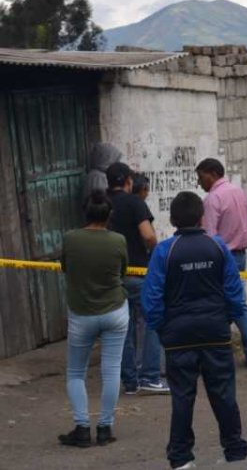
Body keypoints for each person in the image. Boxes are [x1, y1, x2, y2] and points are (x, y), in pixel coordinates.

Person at [143, 192, 247, 469]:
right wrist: (225, 320)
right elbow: (235, 294)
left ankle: (180, 457)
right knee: (224, 393)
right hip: (215, 332)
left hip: (178, 337)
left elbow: (152, 298)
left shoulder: (165, 251)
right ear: (202, 216)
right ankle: (234, 449)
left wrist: (162, 329)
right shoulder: (217, 247)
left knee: (182, 397)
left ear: (173, 219)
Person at [58, 191, 130, 448]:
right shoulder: (118, 240)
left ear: (85, 213)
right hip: (115, 311)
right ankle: (104, 428)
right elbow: (123, 270)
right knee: (111, 370)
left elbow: (65, 268)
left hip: (81, 313)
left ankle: (81, 427)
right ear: (109, 215)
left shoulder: (70, 239)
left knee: (76, 372)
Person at [107, 162, 168, 396]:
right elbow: (149, 235)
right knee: (151, 323)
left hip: (113, 276)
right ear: (128, 181)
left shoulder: (101, 203)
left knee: (123, 328)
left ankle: (129, 382)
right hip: (138, 273)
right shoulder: (135, 203)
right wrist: (152, 252)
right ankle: (150, 377)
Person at [196, 158, 247, 369]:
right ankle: (246, 351)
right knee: (234, 303)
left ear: (212, 173)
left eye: (201, 177)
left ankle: (244, 350)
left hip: (222, 257)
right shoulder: (239, 192)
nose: (199, 182)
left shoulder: (212, 199)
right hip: (240, 255)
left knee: (228, 304)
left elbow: (209, 236)